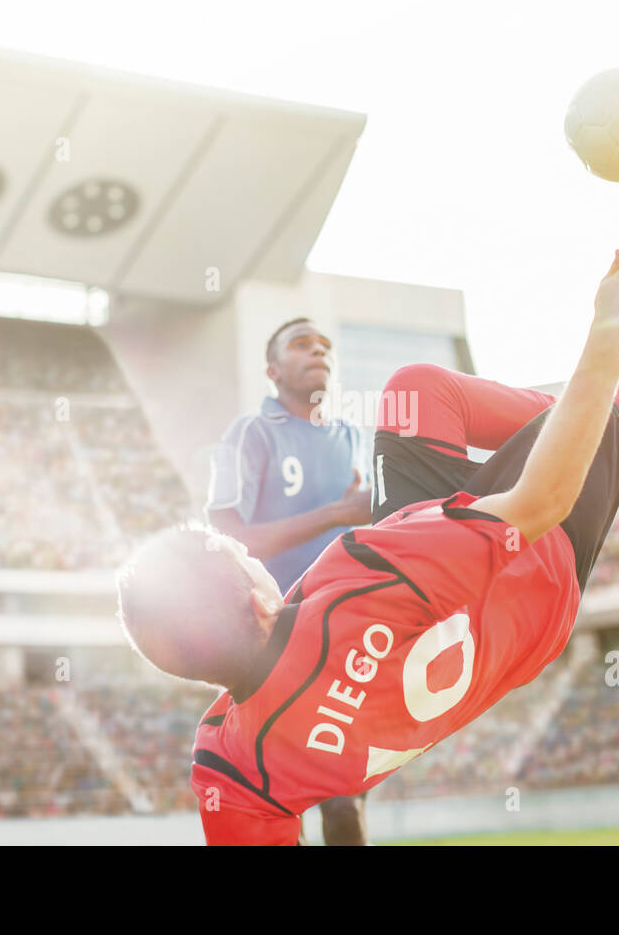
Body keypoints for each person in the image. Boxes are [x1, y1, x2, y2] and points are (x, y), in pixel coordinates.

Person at [118, 233, 619, 844]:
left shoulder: (230, 766)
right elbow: (539, 501)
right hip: (519, 581)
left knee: (418, 391)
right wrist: (610, 330)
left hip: (420, 607)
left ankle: (612, 421)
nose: (246, 550)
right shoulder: (362, 570)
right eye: (236, 556)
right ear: (254, 599)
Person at [204, 317, 374, 843]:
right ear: (273, 370)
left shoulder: (355, 438)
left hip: (343, 634)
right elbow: (229, 537)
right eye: (301, 344)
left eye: (324, 345)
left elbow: (369, 524)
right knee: (278, 801)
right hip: (269, 639)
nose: (318, 351)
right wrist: (335, 512)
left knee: (345, 801)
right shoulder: (251, 433)